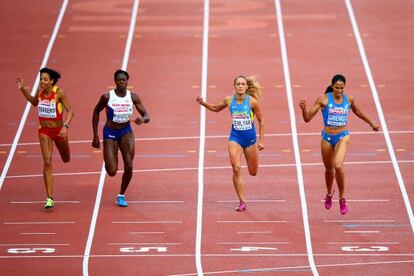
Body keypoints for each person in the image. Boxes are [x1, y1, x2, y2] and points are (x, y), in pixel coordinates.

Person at [299, 74, 379, 215]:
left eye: (342, 88)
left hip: (343, 136)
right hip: (327, 138)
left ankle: (342, 198)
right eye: (337, 88)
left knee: (338, 165)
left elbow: (357, 111)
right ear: (332, 86)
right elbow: (307, 119)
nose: (339, 91)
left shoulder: (349, 99)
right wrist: (303, 109)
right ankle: (329, 193)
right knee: (329, 170)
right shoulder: (323, 99)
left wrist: (371, 122)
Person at [196, 75, 264, 211]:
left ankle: (242, 197)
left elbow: (261, 121)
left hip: (250, 140)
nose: (240, 86)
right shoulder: (229, 100)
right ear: (235, 86)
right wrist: (203, 103)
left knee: (253, 172)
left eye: (242, 84)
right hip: (235, 138)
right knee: (236, 168)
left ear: (246, 87)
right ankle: (242, 201)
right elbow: (215, 108)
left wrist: (261, 141)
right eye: (238, 84)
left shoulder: (252, 102)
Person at [16, 68, 74, 209]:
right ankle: (49, 198)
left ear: (52, 81)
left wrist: (65, 127)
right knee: (47, 162)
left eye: (45, 79)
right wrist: (23, 90)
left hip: (58, 131)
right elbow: (35, 102)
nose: (42, 82)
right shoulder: (40, 92)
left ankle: (50, 196)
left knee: (66, 159)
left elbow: (71, 111)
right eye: (41, 79)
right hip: (44, 132)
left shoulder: (59, 93)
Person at [92, 69, 150, 207]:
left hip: (126, 132)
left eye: (124, 80)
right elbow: (96, 112)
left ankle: (121, 195)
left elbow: (147, 116)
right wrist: (95, 136)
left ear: (127, 81)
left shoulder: (133, 97)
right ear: (115, 81)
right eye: (119, 80)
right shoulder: (107, 97)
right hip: (110, 133)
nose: (122, 82)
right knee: (112, 171)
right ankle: (111, 156)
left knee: (129, 165)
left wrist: (142, 119)